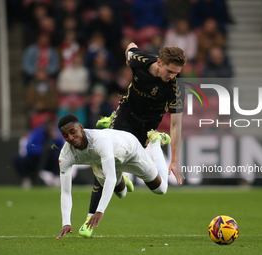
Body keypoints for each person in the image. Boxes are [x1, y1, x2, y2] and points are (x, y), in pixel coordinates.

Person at [79, 42, 187, 238]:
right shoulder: (140, 60)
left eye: (176, 73)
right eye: (170, 71)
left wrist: (174, 160)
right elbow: (130, 46)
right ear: (159, 62)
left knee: (131, 189)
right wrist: (126, 63)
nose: (172, 76)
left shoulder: (176, 87)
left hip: (145, 129)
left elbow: (175, 125)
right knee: (106, 160)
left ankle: (122, 178)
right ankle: (89, 219)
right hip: (125, 115)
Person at [56, 115, 171, 239]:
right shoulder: (66, 155)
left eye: (73, 132)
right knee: (121, 194)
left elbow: (110, 178)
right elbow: (66, 192)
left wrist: (99, 211)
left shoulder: (99, 141)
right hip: (107, 161)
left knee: (161, 189)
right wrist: (66, 223)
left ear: (81, 128)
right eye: (65, 135)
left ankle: (156, 141)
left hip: (130, 152)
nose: (70, 138)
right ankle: (121, 176)